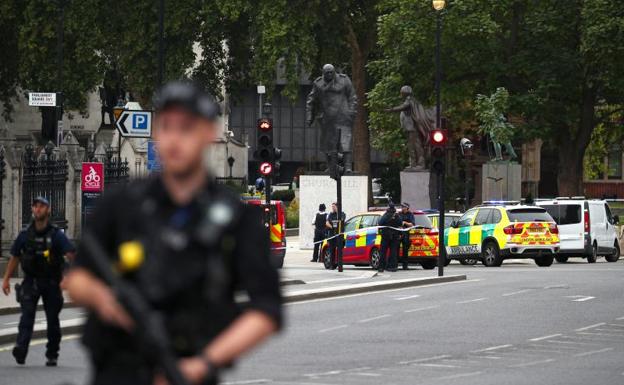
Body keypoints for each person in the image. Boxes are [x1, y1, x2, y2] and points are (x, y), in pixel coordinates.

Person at [64, 81, 282, 385]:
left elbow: (267, 310)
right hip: (118, 370)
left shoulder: (236, 219)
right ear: (155, 133)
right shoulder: (121, 204)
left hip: (189, 370)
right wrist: (103, 298)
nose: (175, 139)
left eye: (187, 128)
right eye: (167, 127)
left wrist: (203, 364)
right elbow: (76, 278)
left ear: (209, 133)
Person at [1, 196, 75, 366]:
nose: (38, 209)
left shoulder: (56, 235)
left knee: (52, 320)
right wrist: (5, 279)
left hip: (51, 282)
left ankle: (52, 353)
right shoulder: (25, 235)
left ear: (48, 210)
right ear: (32, 209)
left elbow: (71, 255)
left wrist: (70, 277)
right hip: (31, 281)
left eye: (42, 206)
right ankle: (21, 348)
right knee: (26, 317)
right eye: (35, 206)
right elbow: (15, 256)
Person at [306, 64, 357, 172]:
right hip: (327, 118)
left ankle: (348, 167)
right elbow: (311, 101)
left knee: (345, 142)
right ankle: (331, 166)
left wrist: (352, 111)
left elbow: (352, 96)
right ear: (323, 73)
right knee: (328, 144)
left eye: (331, 72)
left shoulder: (344, 80)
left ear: (334, 71)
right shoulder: (318, 83)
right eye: (327, 73)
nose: (329, 74)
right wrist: (309, 116)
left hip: (343, 116)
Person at [378, 203, 402, 272]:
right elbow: (400, 223)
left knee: (383, 252)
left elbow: (380, 223)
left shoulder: (386, 214)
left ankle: (381, 267)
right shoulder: (397, 215)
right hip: (395, 236)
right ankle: (393, 267)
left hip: (386, 235)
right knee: (393, 252)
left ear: (388, 207)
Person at [325, 202, 346, 268]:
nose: (332, 208)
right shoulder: (331, 214)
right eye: (332, 207)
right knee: (332, 250)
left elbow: (342, 221)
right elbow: (327, 222)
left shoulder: (342, 214)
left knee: (339, 250)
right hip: (331, 235)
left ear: (337, 207)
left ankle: (339, 265)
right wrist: (332, 227)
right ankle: (332, 265)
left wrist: (337, 227)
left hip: (339, 235)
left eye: (334, 206)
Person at [399, 203, 416, 270]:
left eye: (404, 207)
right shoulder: (399, 214)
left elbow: (412, 224)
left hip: (406, 234)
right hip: (399, 233)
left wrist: (405, 223)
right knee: (396, 249)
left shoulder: (410, 214)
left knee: (405, 251)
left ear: (407, 207)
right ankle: (394, 265)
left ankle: (405, 266)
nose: (402, 208)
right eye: (402, 207)